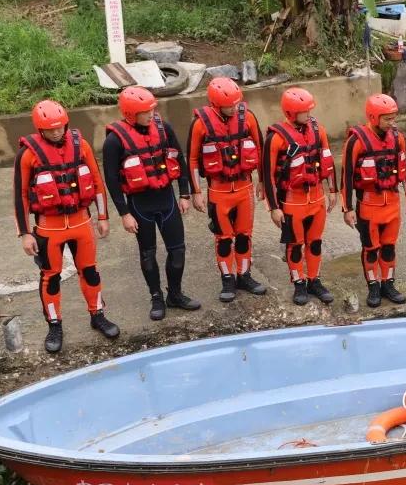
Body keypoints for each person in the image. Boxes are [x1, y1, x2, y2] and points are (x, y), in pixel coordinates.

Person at [14, 100, 118, 354]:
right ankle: (54, 325)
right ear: (40, 130)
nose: (57, 132)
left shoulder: (80, 146)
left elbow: (95, 181)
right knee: (51, 278)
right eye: (51, 129)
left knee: (90, 272)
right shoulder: (27, 155)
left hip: (82, 222)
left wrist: (103, 217)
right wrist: (25, 233)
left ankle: (98, 315)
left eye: (60, 127)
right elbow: (20, 196)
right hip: (49, 229)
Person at [102, 87, 200, 322]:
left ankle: (174, 294)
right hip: (139, 206)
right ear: (129, 113)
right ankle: (156, 296)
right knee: (148, 254)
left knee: (178, 252)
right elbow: (112, 180)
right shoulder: (114, 141)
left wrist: (184, 194)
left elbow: (179, 158)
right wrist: (124, 213)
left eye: (152, 109)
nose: (151, 114)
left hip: (166, 200)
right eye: (145, 111)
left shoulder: (164, 129)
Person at [187, 77, 267, 302]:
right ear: (215, 104)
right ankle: (227, 280)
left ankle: (244, 275)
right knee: (223, 239)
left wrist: (262, 182)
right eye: (228, 105)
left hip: (244, 188)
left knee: (244, 236)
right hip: (219, 192)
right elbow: (192, 159)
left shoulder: (248, 118)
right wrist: (196, 192)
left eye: (235, 103)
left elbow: (259, 150)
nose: (233, 108)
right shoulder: (200, 124)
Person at [263, 88, 338, 306]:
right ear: (291, 112)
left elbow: (328, 161)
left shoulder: (318, 130)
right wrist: (274, 207)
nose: (309, 113)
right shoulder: (275, 138)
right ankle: (299, 284)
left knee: (315, 243)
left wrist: (332, 190)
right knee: (295, 245)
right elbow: (267, 175)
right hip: (292, 200)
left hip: (316, 198)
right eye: (305, 111)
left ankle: (314, 280)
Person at [341, 94, 406, 308]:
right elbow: (346, 175)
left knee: (389, 247)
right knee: (371, 248)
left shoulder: (397, 137)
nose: (392, 123)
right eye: (387, 119)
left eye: (393, 118)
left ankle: (387, 284)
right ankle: (373, 287)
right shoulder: (356, 141)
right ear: (373, 117)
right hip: (368, 205)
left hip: (392, 202)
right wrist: (348, 208)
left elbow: (405, 168)